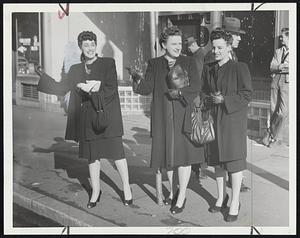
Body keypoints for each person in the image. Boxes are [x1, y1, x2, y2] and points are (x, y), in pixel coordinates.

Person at [35, 31, 132, 209]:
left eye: (92, 44)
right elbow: (62, 87)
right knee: (92, 157)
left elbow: (111, 89)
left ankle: (127, 189)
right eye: (86, 45)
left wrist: (90, 90)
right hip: (88, 119)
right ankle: (96, 191)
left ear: (96, 46)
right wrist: (42, 76)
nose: (90, 48)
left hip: (107, 117)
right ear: (81, 47)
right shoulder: (75, 69)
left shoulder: (108, 63)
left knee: (117, 155)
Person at [129, 26, 205, 214]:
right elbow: (146, 88)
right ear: (164, 44)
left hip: (183, 115)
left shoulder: (188, 62)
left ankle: (181, 196)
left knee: (184, 158)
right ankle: (172, 191)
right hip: (162, 117)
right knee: (168, 158)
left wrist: (179, 93)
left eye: (180, 43)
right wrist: (136, 78)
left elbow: (196, 86)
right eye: (174, 44)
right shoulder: (154, 64)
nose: (178, 47)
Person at [202, 29, 253, 222]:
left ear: (229, 47)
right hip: (215, 119)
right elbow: (203, 91)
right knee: (217, 161)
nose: (215, 51)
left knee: (234, 162)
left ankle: (234, 201)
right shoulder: (209, 68)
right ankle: (220, 196)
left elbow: (247, 94)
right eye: (214, 47)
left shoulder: (240, 67)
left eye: (220, 47)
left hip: (232, 121)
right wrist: (209, 99)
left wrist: (225, 99)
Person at [222, 17, 251, 193]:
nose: (240, 38)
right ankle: (233, 182)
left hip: (233, 108)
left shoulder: (233, 54)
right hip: (224, 108)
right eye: (236, 35)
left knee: (233, 147)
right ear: (228, 37)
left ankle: (235, 180)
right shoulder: (219, 54)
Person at [185, 36, 208, 182]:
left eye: (188, 47)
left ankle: (198, 168)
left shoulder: (197, 56)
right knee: (199, 133)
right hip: (199, 99)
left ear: (192, 45)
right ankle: (198, 167)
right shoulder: (201, 54)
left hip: (198, 99)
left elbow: (198, 78)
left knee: (198, 133)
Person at [261, 27, 289, 147]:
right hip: (276, 80)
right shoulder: (278, 51)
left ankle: (272, 133)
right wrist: (281, 66)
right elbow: (272, 66)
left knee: (283, 111)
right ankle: (274, 138)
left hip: (287, 82)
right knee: (273, 109)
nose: (281, 39)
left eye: (283, 37)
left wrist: (281, 66)